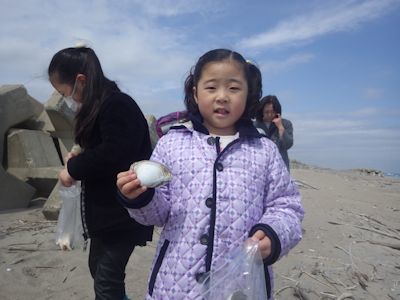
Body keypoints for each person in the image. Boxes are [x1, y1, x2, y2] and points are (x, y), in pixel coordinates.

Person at [116, 49, 304, 299]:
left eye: (234, 88)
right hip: (176, 285)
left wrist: (273, 233)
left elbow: (287, 206)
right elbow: (158, 214)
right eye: (211, 87)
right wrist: (139, 198)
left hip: (240, 286)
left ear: (248, 95)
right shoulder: (172, 143)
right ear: (195, 92)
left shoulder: (265, 150)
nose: (222, 97)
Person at [48, 46, 154, 300]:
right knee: (99, 270)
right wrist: (78, 156)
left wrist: (73, 169)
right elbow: (99, 148)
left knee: (107, 281)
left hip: (123, 212)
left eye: (64, 92)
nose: (66, 98)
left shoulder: (117, 104)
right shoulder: (99, 106)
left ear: (80, 81)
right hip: (104, 214)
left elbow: (114, 153)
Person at [254, 95, 294, 171]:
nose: (270, 115)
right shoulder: (255, 125)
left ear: (277, 111)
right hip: (260, 167)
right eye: (266, 112)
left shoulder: (286, 124)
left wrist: (280, 128)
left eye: (272, 112)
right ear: (261, 111)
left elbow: (288, 145)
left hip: (281, 167)